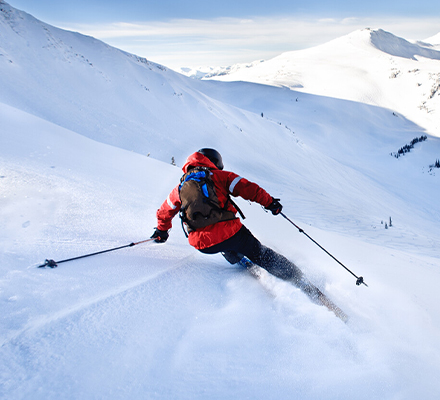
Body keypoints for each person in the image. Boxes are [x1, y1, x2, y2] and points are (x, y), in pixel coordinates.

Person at [151, 148, 303, 284]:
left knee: (222, 243)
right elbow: (248, 188)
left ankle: (237, 258)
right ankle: (297, 277)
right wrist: (270, 203)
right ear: (215, 162)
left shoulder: (180, 188)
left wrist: (161, 232)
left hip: (202, 245)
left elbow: (164, 212)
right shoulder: (220, 176)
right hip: (232, 235)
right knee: (259, 252)